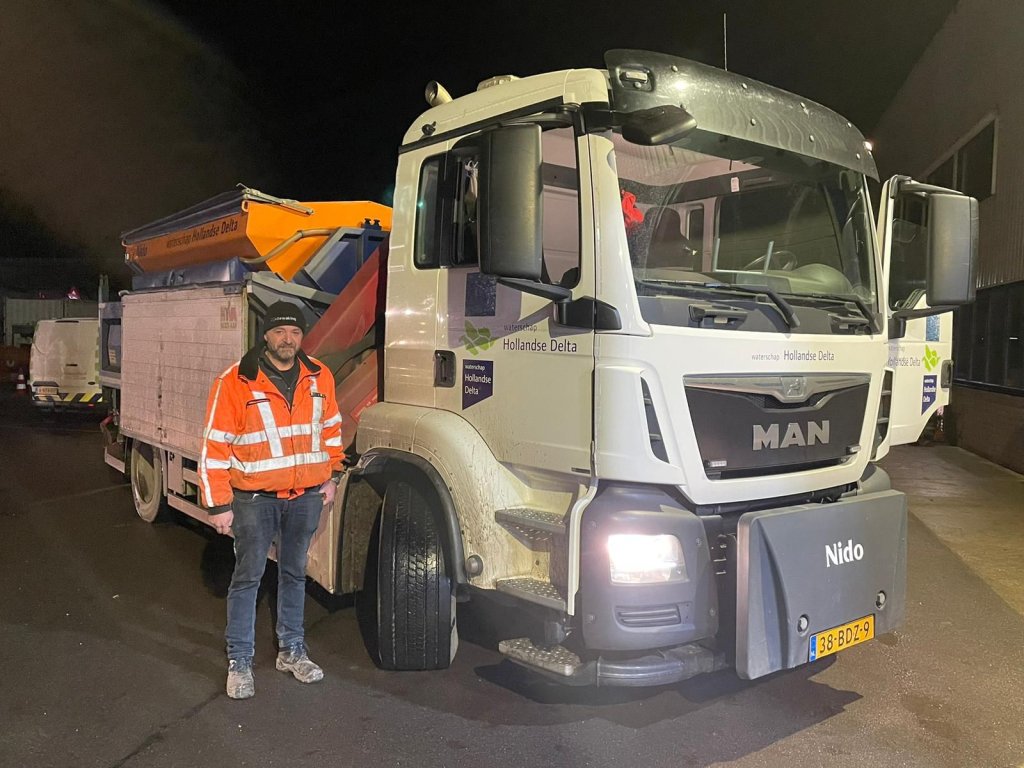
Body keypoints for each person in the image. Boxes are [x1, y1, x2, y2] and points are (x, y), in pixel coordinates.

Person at [198, 301, 344, 699]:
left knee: (295, 573)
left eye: (295, 332)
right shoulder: (236, 381)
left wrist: (331, 475)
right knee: (248, 578)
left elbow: (331, 429)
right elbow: (215, 447)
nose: (288, 339)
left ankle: (292, 651)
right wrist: (219, 505)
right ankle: (239, 661)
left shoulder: (319, 376)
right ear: (265, 335)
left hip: (305, 497)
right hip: (253, 499)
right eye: (280, 332)